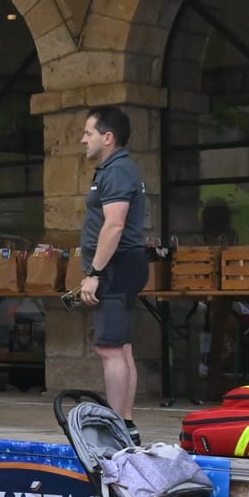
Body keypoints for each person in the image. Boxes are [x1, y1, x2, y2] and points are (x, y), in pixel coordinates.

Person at [76, 106, 149, 423]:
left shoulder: (118, 171)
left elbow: (114, 226)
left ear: (108, 137)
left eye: (88, 133)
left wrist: (94, 273)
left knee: (110, 349)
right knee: (122, 348)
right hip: (124, 265)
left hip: (117, 266)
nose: (82, 139)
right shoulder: (114, 170)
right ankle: (126, 420)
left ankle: (117, 423)